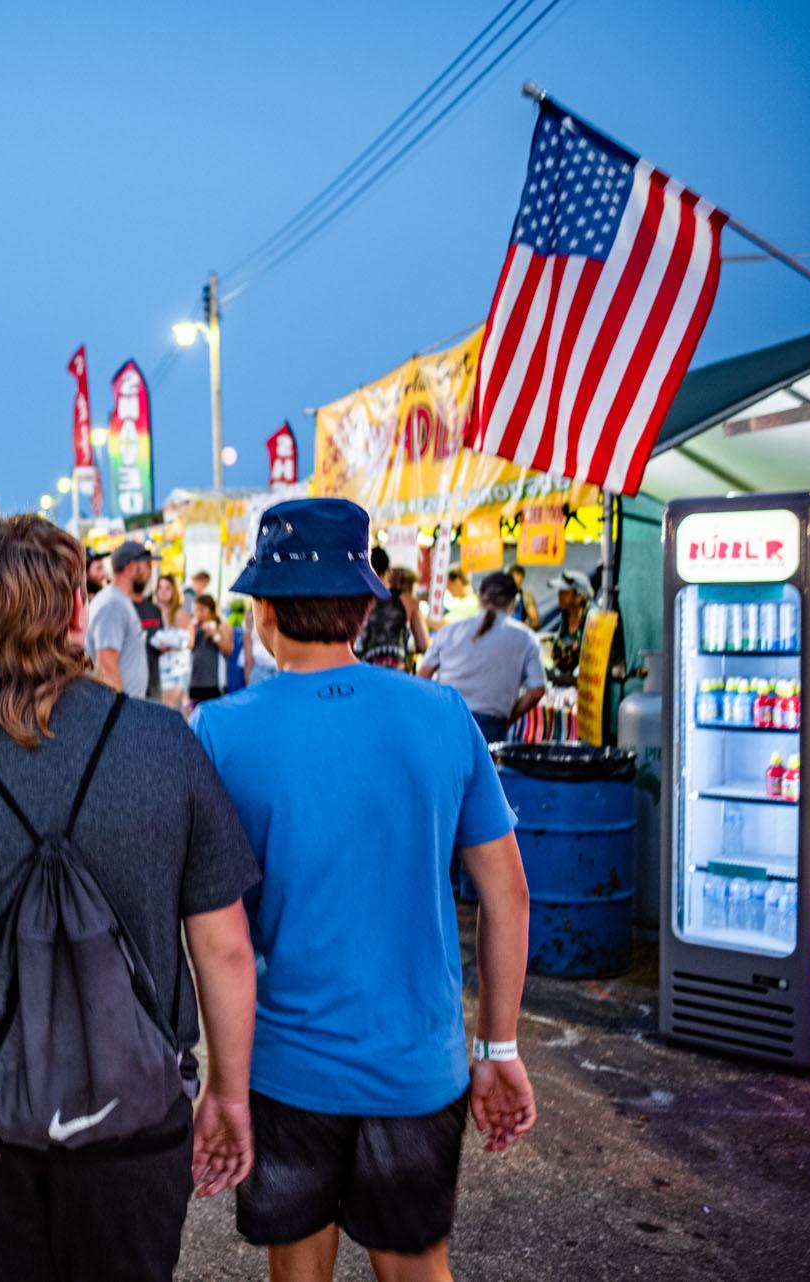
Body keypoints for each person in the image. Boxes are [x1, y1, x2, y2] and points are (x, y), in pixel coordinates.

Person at [0, 515, 261, 1281]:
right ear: (75, 610)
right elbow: (225, 945)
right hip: (137, 1097)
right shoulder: (161, 741)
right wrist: (228, 1092)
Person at [191, 499, 537, 1282]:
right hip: (417, 1063)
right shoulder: (443, 715)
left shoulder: (222, 731)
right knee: (416, 1267)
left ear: (266, 611)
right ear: (364, 604)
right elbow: (507, 895)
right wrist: (499, 1045)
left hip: (283, 1066)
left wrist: (223, 1084)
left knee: (298, 1269)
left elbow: (221, 936)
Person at [419, 571, 547, 743]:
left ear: (480, 599)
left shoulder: (449, 631)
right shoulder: (526, 638)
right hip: (491, 727)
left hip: (447, 718)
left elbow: (423, 676)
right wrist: (510, 717)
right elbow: (537, 690)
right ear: (514, 602)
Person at [87, 542, 152, 698]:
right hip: (122, 711)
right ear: (131, 567)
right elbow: (106, 667)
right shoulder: (113, 604)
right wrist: (121, 713)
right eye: (147, 565)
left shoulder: (118, 600)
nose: (150, 572)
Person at [355, 566, 431, 670]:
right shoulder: (410, 602)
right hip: (397, 669)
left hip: (368, 667)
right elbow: (423, 645)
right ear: (411, 585)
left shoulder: (371, 599)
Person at [545, 569, 593, 686]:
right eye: (559, 591)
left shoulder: (592, 618)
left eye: (565, 592)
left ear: (580, 596)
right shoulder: (565, 615)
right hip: (564, 682)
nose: (559, 595)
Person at [187, 593, 235, 706]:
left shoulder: (222, 626)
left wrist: (215, 635)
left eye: (202, 609)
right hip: (195, 684)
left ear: (211, 609)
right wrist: (191, 631)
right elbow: (188, 649)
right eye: (196, 610)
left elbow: (228, 651)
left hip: (214, 685)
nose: (198, 614)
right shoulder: (194, 626)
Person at [152, 574, 192, 709]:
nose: (163, 592)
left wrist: (168, 644)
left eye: (168, 588)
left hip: (175, 671)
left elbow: (189, 642)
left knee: (169, 710)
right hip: (157, 669)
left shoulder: (179, 613)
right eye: (160, 588)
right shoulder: (152, 610)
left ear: (174, 591)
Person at [134, 571, 165, 700]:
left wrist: (164, 646)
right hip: (132, 682)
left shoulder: (155, 610)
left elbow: (161, 637)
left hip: (153, 681)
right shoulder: (123, 607)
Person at [508, 564, 541, 629]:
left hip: (518, 634)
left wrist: (521, 625)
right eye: (513, 576)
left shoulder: (526, 597)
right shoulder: (499, 596)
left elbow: (536, 622)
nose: (516, 578)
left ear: (522, 577)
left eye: (518, 576)